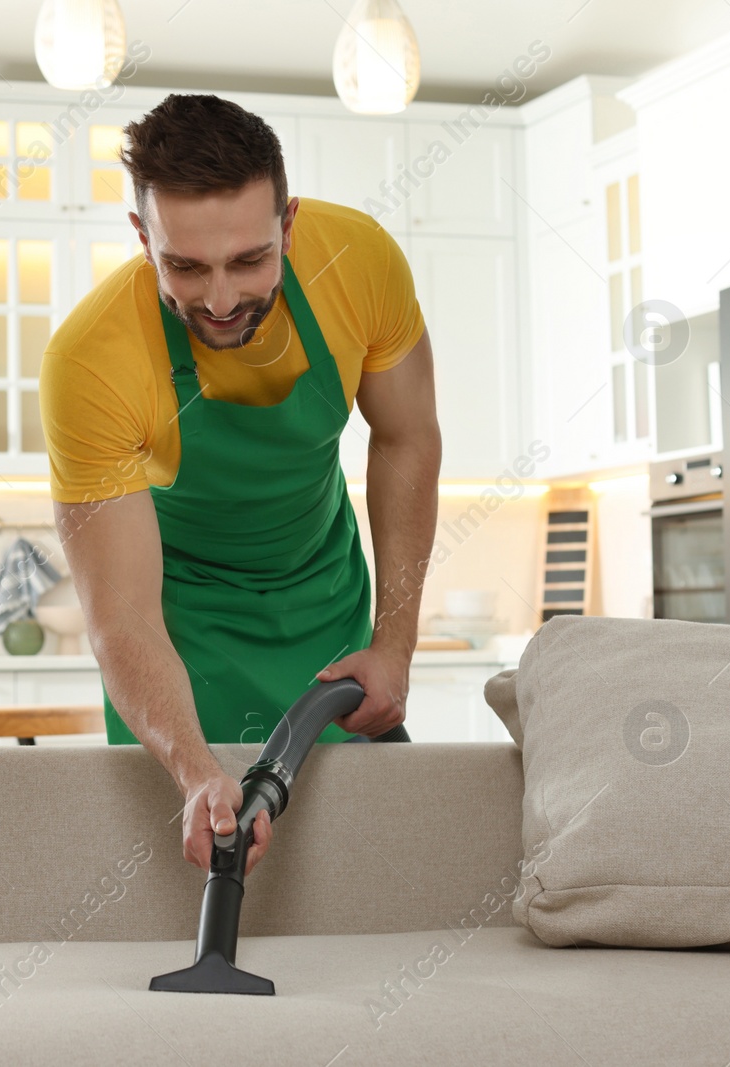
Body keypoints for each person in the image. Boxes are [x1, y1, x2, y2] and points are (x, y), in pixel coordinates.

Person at [41, 96, 441, 879]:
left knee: (362, 883)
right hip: (179, 637)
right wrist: (195, 771)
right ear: (142, 238)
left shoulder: (358, 262)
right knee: (196, 879)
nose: (220, 301)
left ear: (288, 227)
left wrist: (394, 643)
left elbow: (407, 438)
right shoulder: (90, 361)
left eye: (250, 260)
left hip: (329, 612)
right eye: (184, 267)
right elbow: (121, 615)